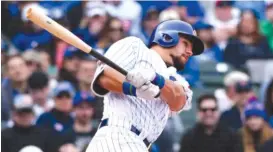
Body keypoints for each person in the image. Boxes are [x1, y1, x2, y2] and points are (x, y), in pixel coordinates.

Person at [86, 20, 202, 152]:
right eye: (186, 44)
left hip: (138, 144)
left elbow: (178, 100)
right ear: (167, 37)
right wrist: (134, 89)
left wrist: (155, 78)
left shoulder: (178, 80)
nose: (190, 52)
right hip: (118, 135)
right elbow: (104, 77)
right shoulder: (135, 46)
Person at [2, 55, 30, 125]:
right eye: (13, 68)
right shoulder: (2, 93)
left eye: (21, 66)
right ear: (7, 73)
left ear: (27, 68)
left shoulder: (36, 86)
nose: (18, 71)